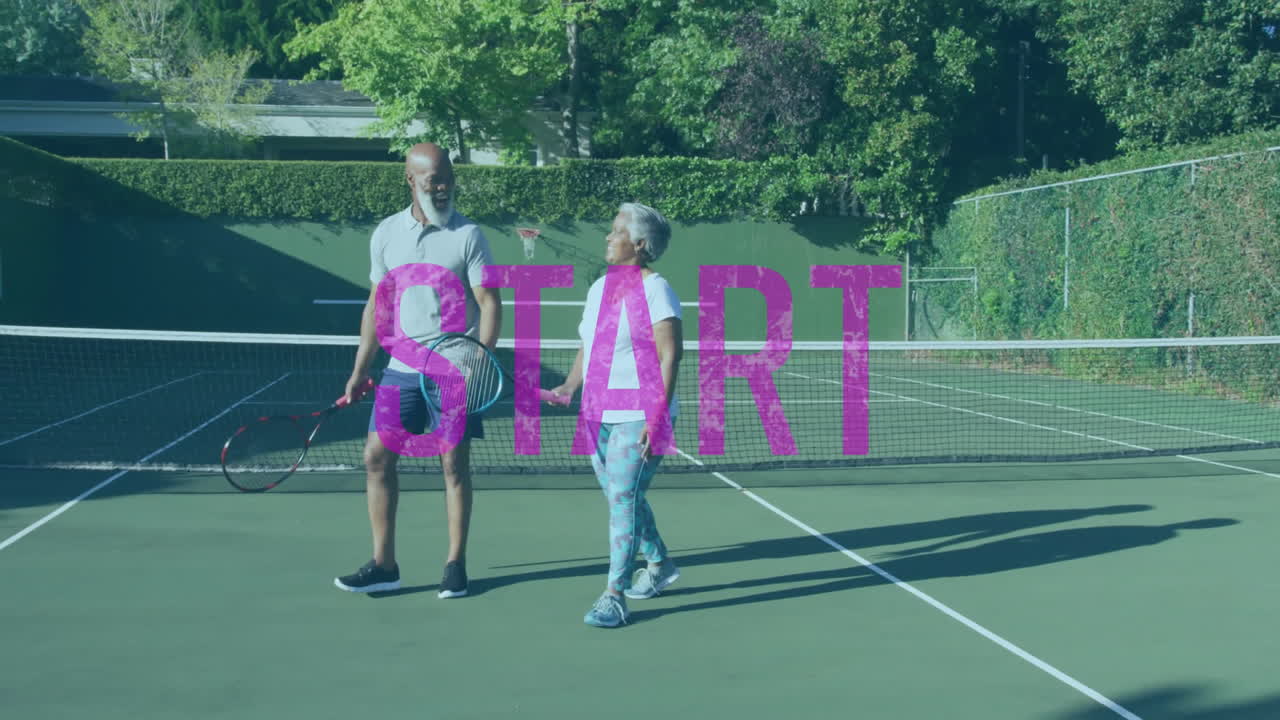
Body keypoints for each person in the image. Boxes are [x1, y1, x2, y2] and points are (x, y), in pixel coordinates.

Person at [335, 143, 501, 599]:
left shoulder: (469, 235)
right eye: (434, 181)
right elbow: (377, 305)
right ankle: (385, 565)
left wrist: (478, 359)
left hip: (452, 371)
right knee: (375, 458)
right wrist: (360, 367)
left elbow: (489, 303)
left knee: (452, 464)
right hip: (401, 370)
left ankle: (455, 564)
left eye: (448, 178)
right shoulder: (387, 233)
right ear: (410, 180)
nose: (444, 187)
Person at [547, 202, 682, 628]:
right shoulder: (600, 288)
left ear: (640, 245)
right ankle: (659, 565)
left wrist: (656, 417)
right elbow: (591, 346)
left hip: (640, 415)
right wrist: (570, 385)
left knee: (622, 501)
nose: (607, 237)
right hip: (596, 413)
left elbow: (670, 355)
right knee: (622, 497)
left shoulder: (657, 289)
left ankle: (614, 595)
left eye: (616, 232)